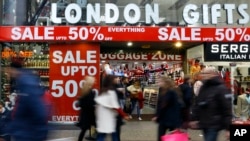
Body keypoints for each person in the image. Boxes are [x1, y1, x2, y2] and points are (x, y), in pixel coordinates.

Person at [7, 58, 49, 141]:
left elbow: (39, 111)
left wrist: (40, 133)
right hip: (24, 133)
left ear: (14, 70)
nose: (8, 72)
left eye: (10, 70)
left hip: (28, 134)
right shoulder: (23, 83)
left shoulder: (26, 84)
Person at [189, 67, 232, 141]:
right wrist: (194, 118)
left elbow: (227, 108)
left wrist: (228, 128)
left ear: (213, 74)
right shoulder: (203, 87)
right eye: (202, 73)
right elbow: (198, 103)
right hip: (204, 122)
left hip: (214, 124)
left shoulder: (221, 88)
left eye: (205, 73)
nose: (202, 75)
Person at [95, 75, 129, 141]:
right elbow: (116, 106)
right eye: (115, 79)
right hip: (109, 118)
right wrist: (124, 115)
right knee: (114, 135)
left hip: (102, 117)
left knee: (101, 135)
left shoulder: (102, 91)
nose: (117, 79)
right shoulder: (111, 92)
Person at [152, 75, 182, 141]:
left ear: (165, 82)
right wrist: (156, 115)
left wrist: (177, 123)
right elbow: (159, 104)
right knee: (160, 137)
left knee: (173, 138)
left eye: (160, 81)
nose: (158, 83)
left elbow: (176, 107)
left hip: (172, 118)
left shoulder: (172, 92)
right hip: (163, 118)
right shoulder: (161, 90)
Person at [76, 76, 97, 141]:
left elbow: (83, 102)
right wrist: (95, 104)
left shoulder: (84, 90)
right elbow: (90, 103)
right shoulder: (90, 91)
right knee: (92, 126)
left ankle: (91, 137)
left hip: (85, 114)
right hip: (89, 114)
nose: (94, 82)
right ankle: (92, 137)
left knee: (85, 129)